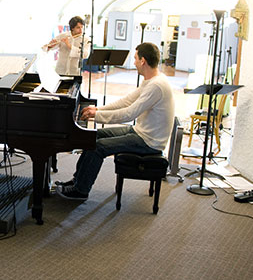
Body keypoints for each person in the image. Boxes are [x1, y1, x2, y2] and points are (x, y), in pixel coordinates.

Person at [56, 42, 175, 200]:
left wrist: (96, 116)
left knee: (97, 147)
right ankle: (78, 180)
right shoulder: (153, 80)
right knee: (92, 136)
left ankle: (81, 190)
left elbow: (129, 114)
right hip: (141, 133)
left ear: (143, 61)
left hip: (149, 141)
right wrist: (98, 110)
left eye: (135, 58)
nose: (134, 62)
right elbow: (126, 101)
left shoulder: (156, 86)